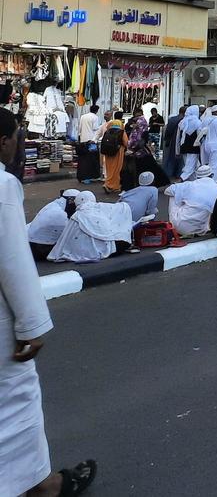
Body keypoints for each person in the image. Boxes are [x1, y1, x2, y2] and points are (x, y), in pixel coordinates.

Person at [1, 105, 98, 497]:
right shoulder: (2, 187)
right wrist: (33, 324)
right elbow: (11, 258)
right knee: (16, 403)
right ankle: (42, 486)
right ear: (3, 141)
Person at [48, 192, 133, 264]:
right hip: (115, 247)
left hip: (87, 252)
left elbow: (65, 239)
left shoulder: (76, 216)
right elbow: (123, 207)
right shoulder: (100, 208)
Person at [165, 164, 217, 237]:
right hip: (202, 229)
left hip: (180, 227)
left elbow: (167, 190)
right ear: (212, 175)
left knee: (174, 194)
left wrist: (180, 192)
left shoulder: (190, 185)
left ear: (197, 176)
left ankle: (175, 222)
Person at [27, 190, 79, 262]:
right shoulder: (60, 214)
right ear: (71, 200)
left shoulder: (54, 204)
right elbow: (70, 235)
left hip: (31, 246)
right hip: (41, 250)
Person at [95, 114, 126, 195]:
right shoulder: (121, 132)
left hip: (108, 153)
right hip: (118, 153)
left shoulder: (107, 131)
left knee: (109, 170)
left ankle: (108, 184)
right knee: (116, 170)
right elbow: (126, 143)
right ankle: (113, 186)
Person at [75, 104, 103, 184]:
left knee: (83, 160)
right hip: (91, 141)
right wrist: (95, 139)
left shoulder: (83, 116)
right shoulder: (95, 117)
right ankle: (91, 176)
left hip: (83, 140)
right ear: (97, 111)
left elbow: (80, 129)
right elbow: (95, 129)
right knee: (92, 160)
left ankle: (82, 177)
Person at [177, 105, 203, 180]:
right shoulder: (198, 122)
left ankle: (193, 182)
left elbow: (178, 138)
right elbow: (199, 136)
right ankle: (180, 179)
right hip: (193, 149)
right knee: (190, 167)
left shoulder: (182, 122)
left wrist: (177, 150)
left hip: (183, 148)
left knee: (193, 166)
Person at [160, 105, 183, 183]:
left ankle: (168, 175)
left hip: (168, 145)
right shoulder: (178, 122)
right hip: (172, 144)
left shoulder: (169, 124)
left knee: (168, 160)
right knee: (174, 161)